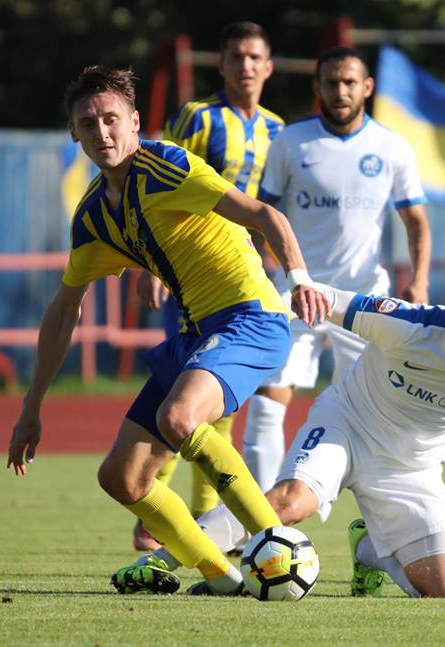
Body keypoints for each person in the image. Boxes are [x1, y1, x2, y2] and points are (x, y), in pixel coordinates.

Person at [6, 65, 328, 596]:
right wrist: (30, 408)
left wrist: (300, 280)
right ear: (74, 134)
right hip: (196, 334)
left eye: (111, 119)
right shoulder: (92, 217)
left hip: (251, 318)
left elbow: (263, 214)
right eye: (88, 123)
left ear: (135, 122)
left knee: (178, 417)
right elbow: (63, 312)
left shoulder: (167, 166)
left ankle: (277, 544)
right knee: (121, 478)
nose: (101, 132)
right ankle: (221, 579)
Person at [117, 271, 445, 598]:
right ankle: (162, 561)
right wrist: (242, 330)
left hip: (412, 468)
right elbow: (317, 298)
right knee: (289, 502)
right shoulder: (406, 325)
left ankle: (369, 549)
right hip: (346, 427)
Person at [240, 46, 431, 496]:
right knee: (267, 405)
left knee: (374, 415)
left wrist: (419, 281)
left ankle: (371, 521)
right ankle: (261, 523)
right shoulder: (291, 142)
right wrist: (267, 272)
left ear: (367, 87)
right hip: (296, 295)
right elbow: (263, 215)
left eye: (349, 82)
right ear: (318, 88)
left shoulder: (391, 147)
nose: (340, 91)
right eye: (331, 82)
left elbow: (416, 221)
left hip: (363, 300)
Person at [132, 21, 285, 551]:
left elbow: (276, 206)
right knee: (189, 390)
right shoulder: (199, 117)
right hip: (194, 275)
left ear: (269, 67)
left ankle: (196, 521)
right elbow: (152, 184)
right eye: (236, 56)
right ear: (220, 64)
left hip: (247, 281)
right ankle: (156, 507)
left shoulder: (277, 130)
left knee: (218, 401)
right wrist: (151, 268)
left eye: (254, 57)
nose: (245, 65)